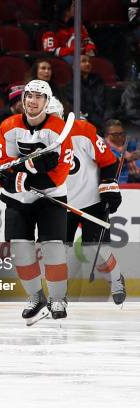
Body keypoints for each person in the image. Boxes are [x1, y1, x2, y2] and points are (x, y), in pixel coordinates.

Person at [0, 79, 73, 325]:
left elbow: (60, 171)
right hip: (17, 200)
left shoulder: (57, 128)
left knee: (53, 248)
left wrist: (28, 176)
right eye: (29, 95)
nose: (32, 100)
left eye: (38, 96)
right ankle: (36, 297)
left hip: (52, 197)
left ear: (47, 102)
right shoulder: (8, 126)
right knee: (20, 251)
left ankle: (58, 298)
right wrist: (30, 167)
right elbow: (5, 167)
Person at [45, 97, 126, 305]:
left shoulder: (82, 130)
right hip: (61, 203)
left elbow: (108, 160)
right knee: (59, 251)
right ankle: (58, 296)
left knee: (96, 248)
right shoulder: (36, 138)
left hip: (92, 200)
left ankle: (117, 279)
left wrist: (109, 187)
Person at [0, 84, 24, 168]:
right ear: (14, 102)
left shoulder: (29, 117)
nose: (25, 104)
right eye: (21, 100)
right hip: (0, 160)